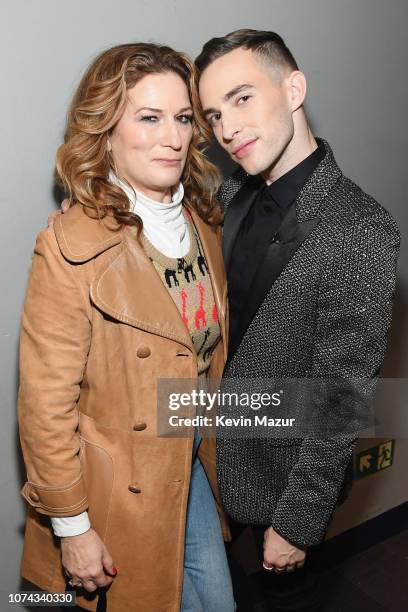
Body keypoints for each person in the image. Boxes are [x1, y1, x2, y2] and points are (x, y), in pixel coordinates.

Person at [17, 43, 235, 612]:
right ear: (106, 131)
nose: (174, 136)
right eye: (148, 117)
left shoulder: (201, 223)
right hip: (117, 499)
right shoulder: (70, 245)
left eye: (184, 118)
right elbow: (46, 406)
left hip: (188, 474)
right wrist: (72, 527)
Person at [195, 29, 400, 611]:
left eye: (241, 98)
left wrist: (297, 522)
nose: (227, 128)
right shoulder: (232, 192)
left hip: (277, 491)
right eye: (214, 114)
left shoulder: (360, 227)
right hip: (210, 462)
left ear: (294, 89)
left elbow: (342, 394)